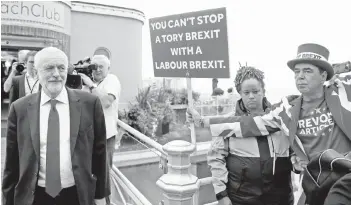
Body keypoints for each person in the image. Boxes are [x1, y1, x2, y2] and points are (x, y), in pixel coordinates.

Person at [187, 43, 351, 203]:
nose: (300, 76)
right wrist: (202, 121)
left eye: (307, 71)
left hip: (345, 179)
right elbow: (248, 125)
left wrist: (342, 68)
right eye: (296, 72)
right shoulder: (286, 111)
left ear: (323, 75)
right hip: (315, 186)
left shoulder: (343, 93)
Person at [2, 47, 110, 205]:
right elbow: (11, 163)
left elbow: (100, 153)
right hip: (34, 196)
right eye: (49, 68)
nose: (56, 74)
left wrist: (100, 196)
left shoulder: (90, 104)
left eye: (61, 68)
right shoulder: (20, 108)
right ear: (37, 72)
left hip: (77, 195)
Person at [207, 66, 294, 205]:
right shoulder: (227, 124)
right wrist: (222, 195)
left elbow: (293, 150)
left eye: (256, 91)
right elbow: (216, 158)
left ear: (263, 91)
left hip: (281, 197)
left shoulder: (281, 119)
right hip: (242, 199)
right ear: (239, 93)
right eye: (246, 92)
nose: (251, 96)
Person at [79, 54, 121, 204]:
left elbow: (106, 102)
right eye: (94, 66)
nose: (97, 69)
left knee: (104, 175)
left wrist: (90, 85)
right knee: (87, 172)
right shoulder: (84, 83)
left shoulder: (112, 80)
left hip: (105, 137)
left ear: (108, 68)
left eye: (101, 66)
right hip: (86, 136)